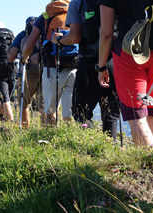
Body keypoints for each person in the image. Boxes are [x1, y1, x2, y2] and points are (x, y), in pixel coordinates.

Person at [97, 0, 153, 147]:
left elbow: (106, 33)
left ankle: (149, 165)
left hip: (129, 54)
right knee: (152, 112)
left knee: (137, 115)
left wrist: (101, 67)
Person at [51, 0, 120, 141]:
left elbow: (75, 37)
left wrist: (59, 40)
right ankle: (109, 150)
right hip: (114, 61)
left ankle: (89, 147)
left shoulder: (78, 3)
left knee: (81, 112)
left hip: (87, 63)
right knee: (110, 114)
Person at [21, 1, 77, 125]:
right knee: (69, 112)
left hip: (51, 68)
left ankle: (49, 139)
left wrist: (24, 57)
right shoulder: (74, 11)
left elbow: (29, 44)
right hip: (73, 67)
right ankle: (69, 140)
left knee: (50, 111)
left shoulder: (45, 17)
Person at [7, 16, 45, 128]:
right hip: (46, 70)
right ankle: (46, 130)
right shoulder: (43, 32)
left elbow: (11, 56)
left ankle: (25, 128)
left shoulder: (22, 35)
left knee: (24, 103)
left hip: (27, 71)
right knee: (43, 104)